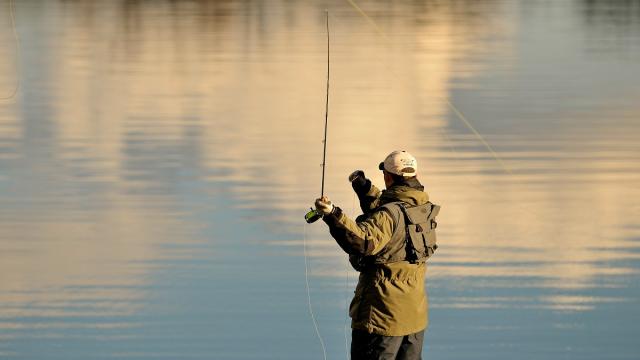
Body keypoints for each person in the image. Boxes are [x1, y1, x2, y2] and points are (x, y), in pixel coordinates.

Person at [314, 150, 439, 360]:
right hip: (414, 320)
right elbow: (392, 212)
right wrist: (364, 189)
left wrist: (332, 214)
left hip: (381, 319)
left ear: (388, 177)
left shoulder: (388, 215)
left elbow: (363, 242)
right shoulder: (422, 208)